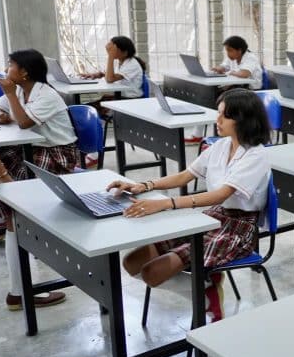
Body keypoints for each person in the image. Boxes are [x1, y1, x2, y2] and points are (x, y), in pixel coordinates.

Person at [107, 88, 271, 322]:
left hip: (238, 228)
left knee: (152, 273)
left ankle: (206, 293)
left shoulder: (256, 155)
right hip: (213, 216)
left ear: (242, 119)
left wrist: (166, 204)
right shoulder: (221, 145)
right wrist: (144, 185)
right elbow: (185, 176)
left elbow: (221, 195)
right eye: (218, 112)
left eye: (224, 115)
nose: (217, 119)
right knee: (131, 262)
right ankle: (206, 283)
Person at [0, 49, 79, 310]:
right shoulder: (20, 90)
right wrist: (1, 113)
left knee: (16, 199)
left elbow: (24, 122)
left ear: (25, 72)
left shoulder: (46, 94)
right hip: (31, 148)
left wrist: (10, 97)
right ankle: (8, 218)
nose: (6, 69)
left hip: (56, 153)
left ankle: (19, 289)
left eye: (11, 65)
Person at [80, 35, 147, 166]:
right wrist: (98, 74)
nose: (109, 51)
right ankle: (87, 149)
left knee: (91, 115)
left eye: (113, 49)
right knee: (84, 111)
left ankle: (94, 153)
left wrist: (110, 57)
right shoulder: (121, 61)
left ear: (124, 51)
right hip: (117, 99)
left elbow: (110, 79)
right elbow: (110, 74)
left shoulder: (132, 64)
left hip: (129, 102)